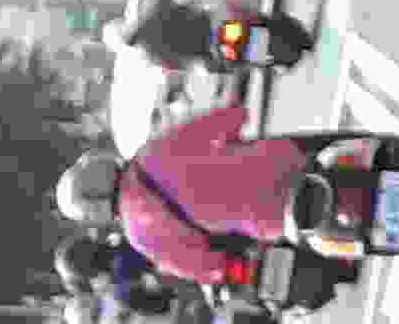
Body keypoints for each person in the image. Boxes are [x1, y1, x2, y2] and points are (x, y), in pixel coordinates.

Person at [54, 109, 312, 292]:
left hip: (275, 217)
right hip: (283, 159)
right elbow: (223, 120)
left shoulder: (140, 237)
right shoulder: (150, 152)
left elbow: (205, 265)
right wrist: (234, 125)